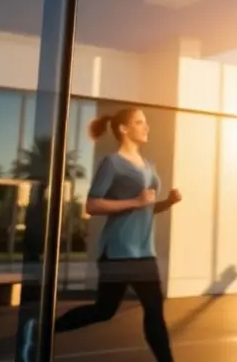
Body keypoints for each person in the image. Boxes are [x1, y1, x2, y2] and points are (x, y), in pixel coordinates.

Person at [54, 108, 182, 362]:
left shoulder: (148, 165)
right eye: (139, 122)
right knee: (104, 311)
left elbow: (145, 208)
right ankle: (46, 329)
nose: (146, 127)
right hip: (118, 252)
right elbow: (92, 205)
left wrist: (168, 202)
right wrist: (135, 201)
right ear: (124, 129)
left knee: (154, 312)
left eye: (146, 122)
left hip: (145, 253)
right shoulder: (112, 162)